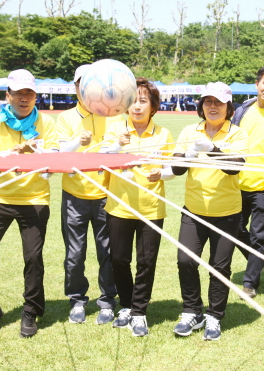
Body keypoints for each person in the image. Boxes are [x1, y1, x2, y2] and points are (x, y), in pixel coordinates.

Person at [0, 69, 59, 338]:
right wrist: (9, 155)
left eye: (30, 93)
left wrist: (35, 153)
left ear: (36, 97)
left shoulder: (47, 123)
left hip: (34, 199)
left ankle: (30, 311)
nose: (25, 98)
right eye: (19, 93)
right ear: (8, 95)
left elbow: (52, 165)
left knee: (33, 257)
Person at [169, 82, 247, 341]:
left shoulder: (237, 134)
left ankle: (214, 315)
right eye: (208, 102)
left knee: (219, 267)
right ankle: (192, 311)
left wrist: (211, 149)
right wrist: (190, 153)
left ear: (229, 107)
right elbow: (177, 169)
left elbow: (235, 167)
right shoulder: (190, 131)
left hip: (227, 213)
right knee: (186, 260)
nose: (213, 107)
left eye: (219, 102)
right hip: (194, 210)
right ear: (201, 106)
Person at [101, 78, 174, 337]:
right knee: (119, 259)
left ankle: (139, 312)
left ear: (153, 107)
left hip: (151, 209)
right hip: (119, 206)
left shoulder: (163, 134)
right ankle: (127, 304)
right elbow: (101, 162)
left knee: (146, 262)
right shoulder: (115, 129)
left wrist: (161, 174)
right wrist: (116, 145)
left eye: (143, 101)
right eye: (133, 101)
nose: (137, 106)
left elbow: (172, 169)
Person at [56, 64, 119, 325]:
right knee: (75, 253)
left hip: (106, 194)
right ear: (75, 87)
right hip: (75, 196)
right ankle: (77, 299)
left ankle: (107, 301)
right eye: (82, 84)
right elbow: (60, 157)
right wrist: (75, 144)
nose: (87, 88)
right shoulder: (66, 118)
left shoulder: (114, 114)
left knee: (108, 252)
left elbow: (119, 151)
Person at [231, 65, 264, 299]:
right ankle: (259, 260)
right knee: (233, 229)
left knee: (260, 235)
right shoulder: (242, 110)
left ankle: (249, 282)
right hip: (237, 183)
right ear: (257, 84)